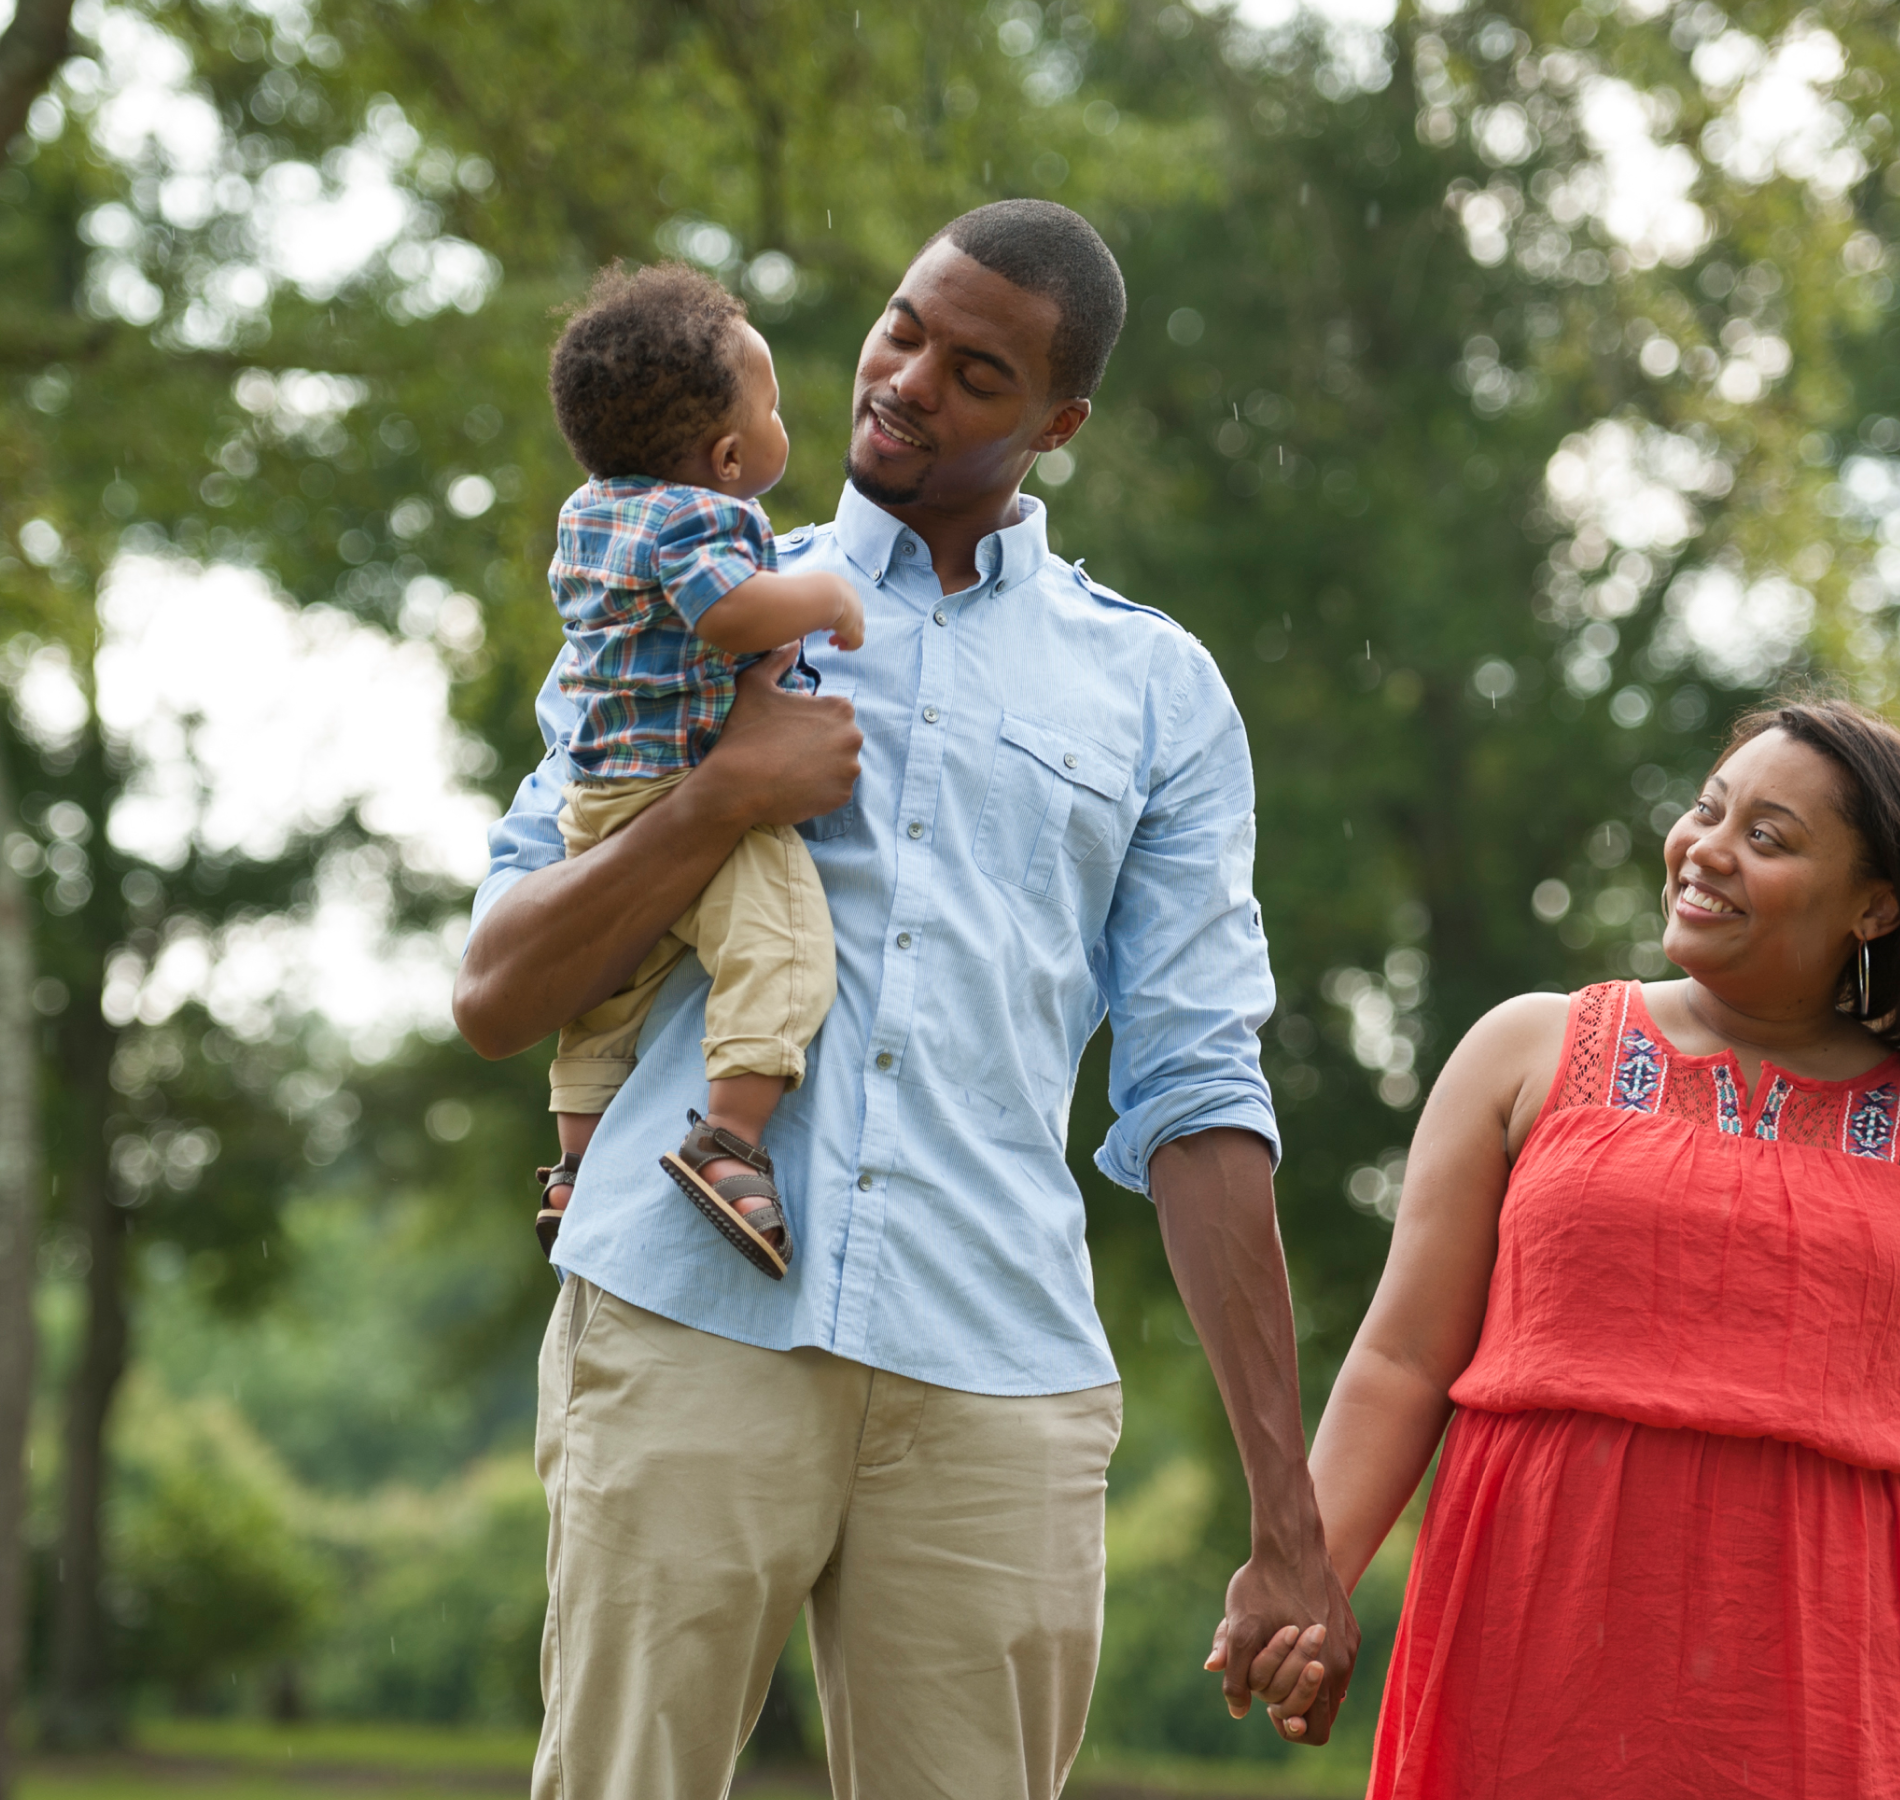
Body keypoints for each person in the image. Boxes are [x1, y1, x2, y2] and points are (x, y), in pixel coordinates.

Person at [456, 198, 1355, 1798]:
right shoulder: (679, 599)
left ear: (1059, 423)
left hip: (996, 1368)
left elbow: (1200, 1090)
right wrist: (723, 795)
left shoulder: (1155, 692)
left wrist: (1289, 1520)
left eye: (978, 371)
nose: (908, 380)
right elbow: (502, 989)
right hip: (685, 1317)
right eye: (901, 327)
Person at [1231, 698, 1900, 1797]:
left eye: (1767, 838)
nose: (1705, 849)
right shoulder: (1526, 1050)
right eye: (1708, 810)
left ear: (1875, 907)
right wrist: (1308, 1579)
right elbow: (1401, 1362)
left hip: (1812, 1699)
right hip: (1528, 1662)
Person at [532, 262, 867, 1276]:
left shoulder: (591, 512)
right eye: (772, 410)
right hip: (684, 786)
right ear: (728, 456)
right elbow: (727, 612)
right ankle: (728, 1139)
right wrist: (823, 601)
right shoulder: (701, 519)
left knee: (609, 996)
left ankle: (573, 1169)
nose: (781, 423)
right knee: (785, 945)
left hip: (597, 801)